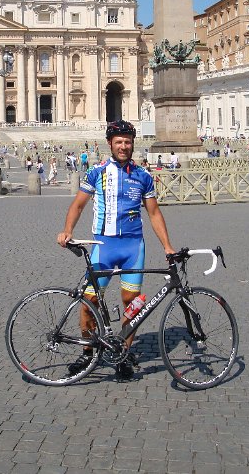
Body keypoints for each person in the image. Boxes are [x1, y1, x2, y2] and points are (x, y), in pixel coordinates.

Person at [57, 120, 175, 380]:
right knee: (89, 303)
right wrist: (68, 230)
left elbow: (154, 213)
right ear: (110, 144)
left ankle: (123, 353)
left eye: (128, 142)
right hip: (104, 246)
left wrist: (167, 246)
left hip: (133, 246)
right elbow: (78, 205)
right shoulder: (96, 173)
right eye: (119, 142)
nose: (124, 146)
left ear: (133, 144)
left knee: (131, 304)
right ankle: (87, 353)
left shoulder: (144, 176)